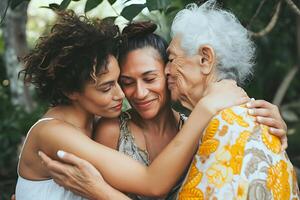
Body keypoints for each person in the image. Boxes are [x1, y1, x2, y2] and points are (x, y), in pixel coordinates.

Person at [37, 16, 290, 200]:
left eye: (151, 77)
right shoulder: (110, 129)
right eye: (126, 82)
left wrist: (273, 133)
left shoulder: (205, 126)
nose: (138, 92)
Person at [165, 1, 299, 199]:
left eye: (171, 59)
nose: (166, 70)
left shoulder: (224, 124)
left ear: (205, 59)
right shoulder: (251, 118)